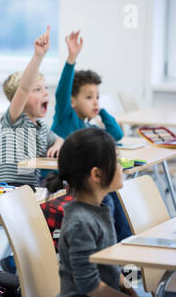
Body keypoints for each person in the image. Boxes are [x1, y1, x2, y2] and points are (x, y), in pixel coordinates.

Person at [49, 30, 131, 242]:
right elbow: (61, 92)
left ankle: (123, 247)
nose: (95, 101)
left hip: (85, 181)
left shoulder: (89, 126)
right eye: (89, 97)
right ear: (72, 100)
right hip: (62, 180)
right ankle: (115, 250)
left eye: (97, 97)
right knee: (109, 199)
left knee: (112, 194)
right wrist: (71, 60)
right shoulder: (65, 118)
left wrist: (100, 111)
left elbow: (115, 135)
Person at [45, 127, 139, 297]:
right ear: (96, 174)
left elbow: (111, 268)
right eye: (116, 161)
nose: (121, 167)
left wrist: (131, 290)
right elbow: (89, 285)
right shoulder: (80, 222)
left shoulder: (102, 206)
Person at [0, 26, 64, 186]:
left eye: (46, 88)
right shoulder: (15, 121)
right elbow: (24, 88)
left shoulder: (41, 127)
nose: (46, 93)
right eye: (38, 90)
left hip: (32, 191)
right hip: (10, 192)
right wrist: (38, 56)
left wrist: (57, 145)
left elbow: (60, 140)